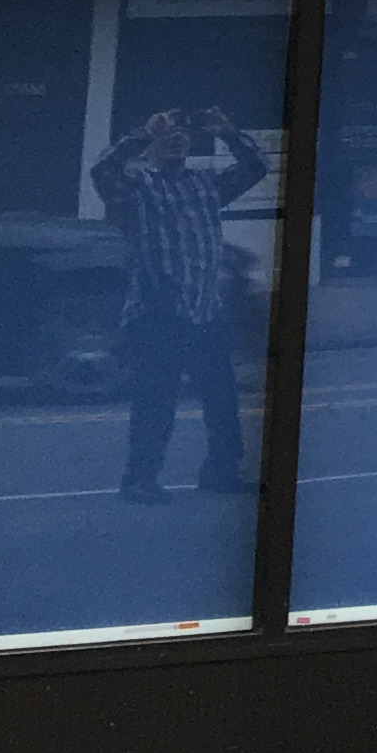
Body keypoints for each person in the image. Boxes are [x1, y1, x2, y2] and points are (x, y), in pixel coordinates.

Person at [88, 104, 264, 505]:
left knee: (221, 397)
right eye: (169, 135)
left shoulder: (205, 185)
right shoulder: (136, 185)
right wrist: (141, 134)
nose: (178, 140)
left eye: (184, 134)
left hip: (204, 309)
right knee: (156, 399)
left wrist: (228, 132)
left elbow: (255, 168)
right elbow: (102, 171)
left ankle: (222, 470)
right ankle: (139, 478)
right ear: (154, 146)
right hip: (157, 311)